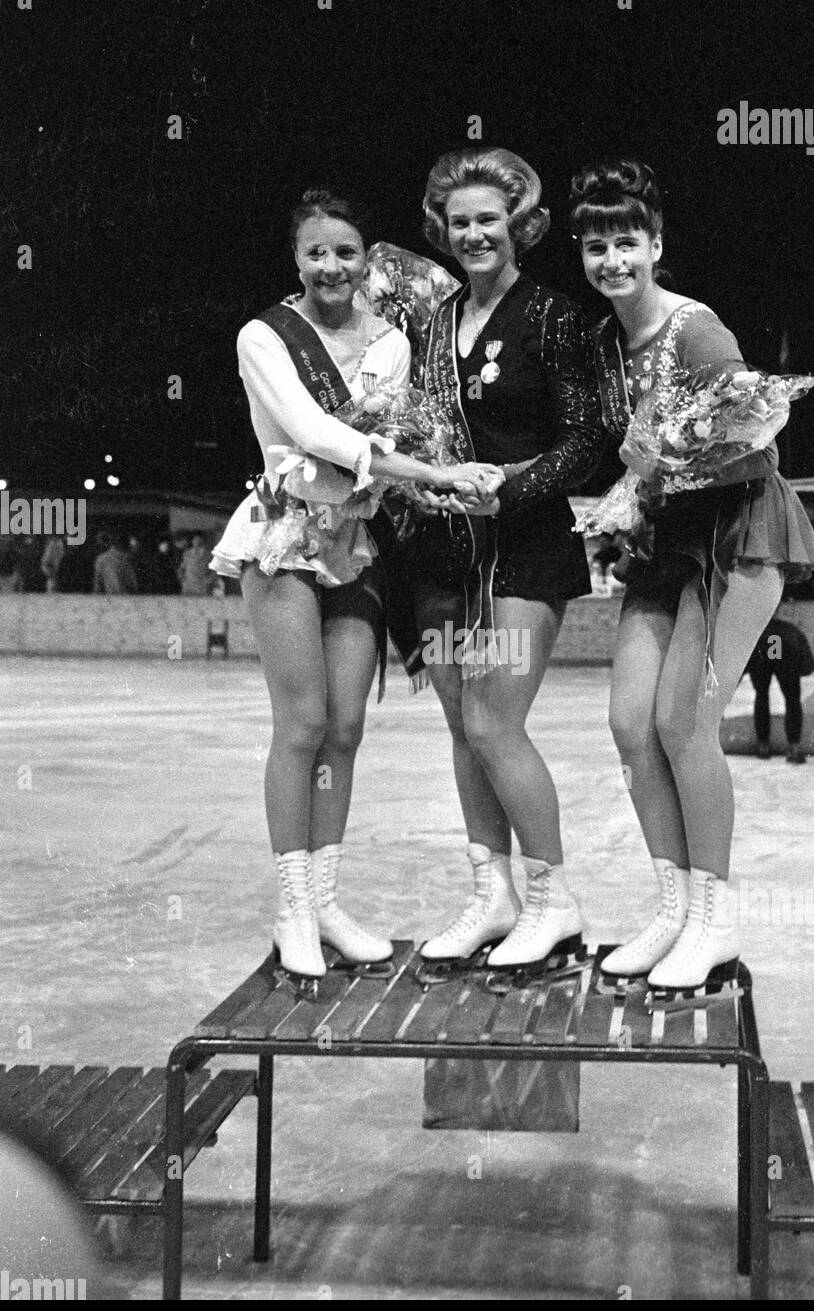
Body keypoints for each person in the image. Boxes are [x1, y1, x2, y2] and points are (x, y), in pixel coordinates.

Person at [209, 187, 501, 985]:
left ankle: (329, 901)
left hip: (355, 544)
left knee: (345, 729)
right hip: (285, 533)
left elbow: (381, 435)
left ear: (367, 261)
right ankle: (292, 909)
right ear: (296, 258)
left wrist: (439, 486)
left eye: (347, 252)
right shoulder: (264, 337)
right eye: (316, 252)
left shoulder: (391, 345)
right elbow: (316, 436)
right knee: (301, 725)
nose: (331, 266)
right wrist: (426, 469)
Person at [570, 156, 814, 991]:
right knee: (630, 726)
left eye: (627, 242)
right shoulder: (606, 339)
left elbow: (759, 440)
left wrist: (664, 466)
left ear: (655, 243)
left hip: (738, 540)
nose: (612, 260)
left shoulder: (697, 328)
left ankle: (715, 920)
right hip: (665, 549)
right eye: (596, 245)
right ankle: (672, 906)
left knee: (684, 723)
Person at [413, 148, 603, 974]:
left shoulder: (553, 315)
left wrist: (513, 489)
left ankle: (554, 902)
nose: (474, 233)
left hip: (526, 548)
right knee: (464, 727)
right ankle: (491, 895)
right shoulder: (431, 320)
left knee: (495, 720)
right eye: (460, 223)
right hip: (444, 553)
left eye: (489, 219)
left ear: (520, 225)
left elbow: (591, 437)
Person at [745, 615, 814, 764]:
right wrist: (804, 669)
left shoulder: (756, 630)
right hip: (785, 651)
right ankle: (793, 747)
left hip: (761, 650)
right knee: (792, 699)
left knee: (761, 695)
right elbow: (807, 661)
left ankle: (763, 745)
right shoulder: (789, 630)